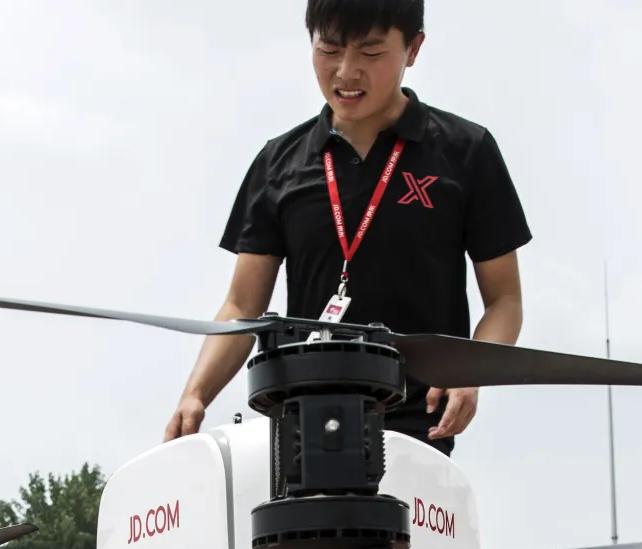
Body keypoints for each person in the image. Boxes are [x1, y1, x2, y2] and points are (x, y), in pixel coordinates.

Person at [163, 0, 530, 455]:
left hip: (418, 427)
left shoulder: (466, 151)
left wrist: (471, 372)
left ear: (413, 49)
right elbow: (243, 303)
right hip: (302, 422)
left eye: (371, 53)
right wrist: (196, 393)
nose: (346, 72)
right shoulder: (278, 162)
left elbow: (505, 299)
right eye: (330, 49)